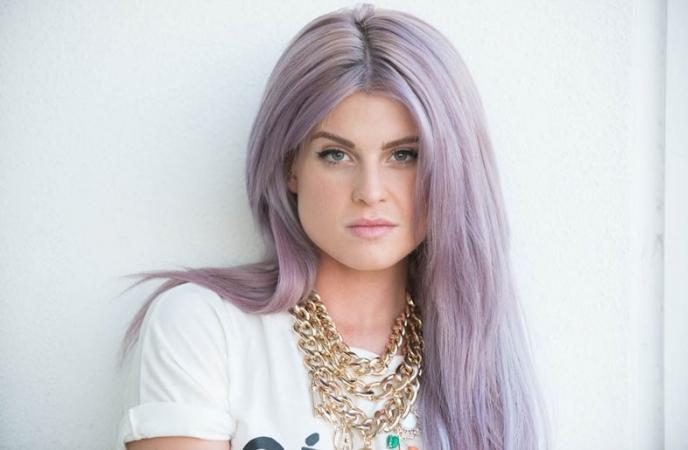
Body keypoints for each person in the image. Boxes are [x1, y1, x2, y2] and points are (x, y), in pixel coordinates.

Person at [113, 3, 550, 450]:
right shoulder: (204, 327)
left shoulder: (477, 360)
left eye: (404, 155)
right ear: (290, 165)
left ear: (451, 169)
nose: (370, 192)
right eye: (336, 155)